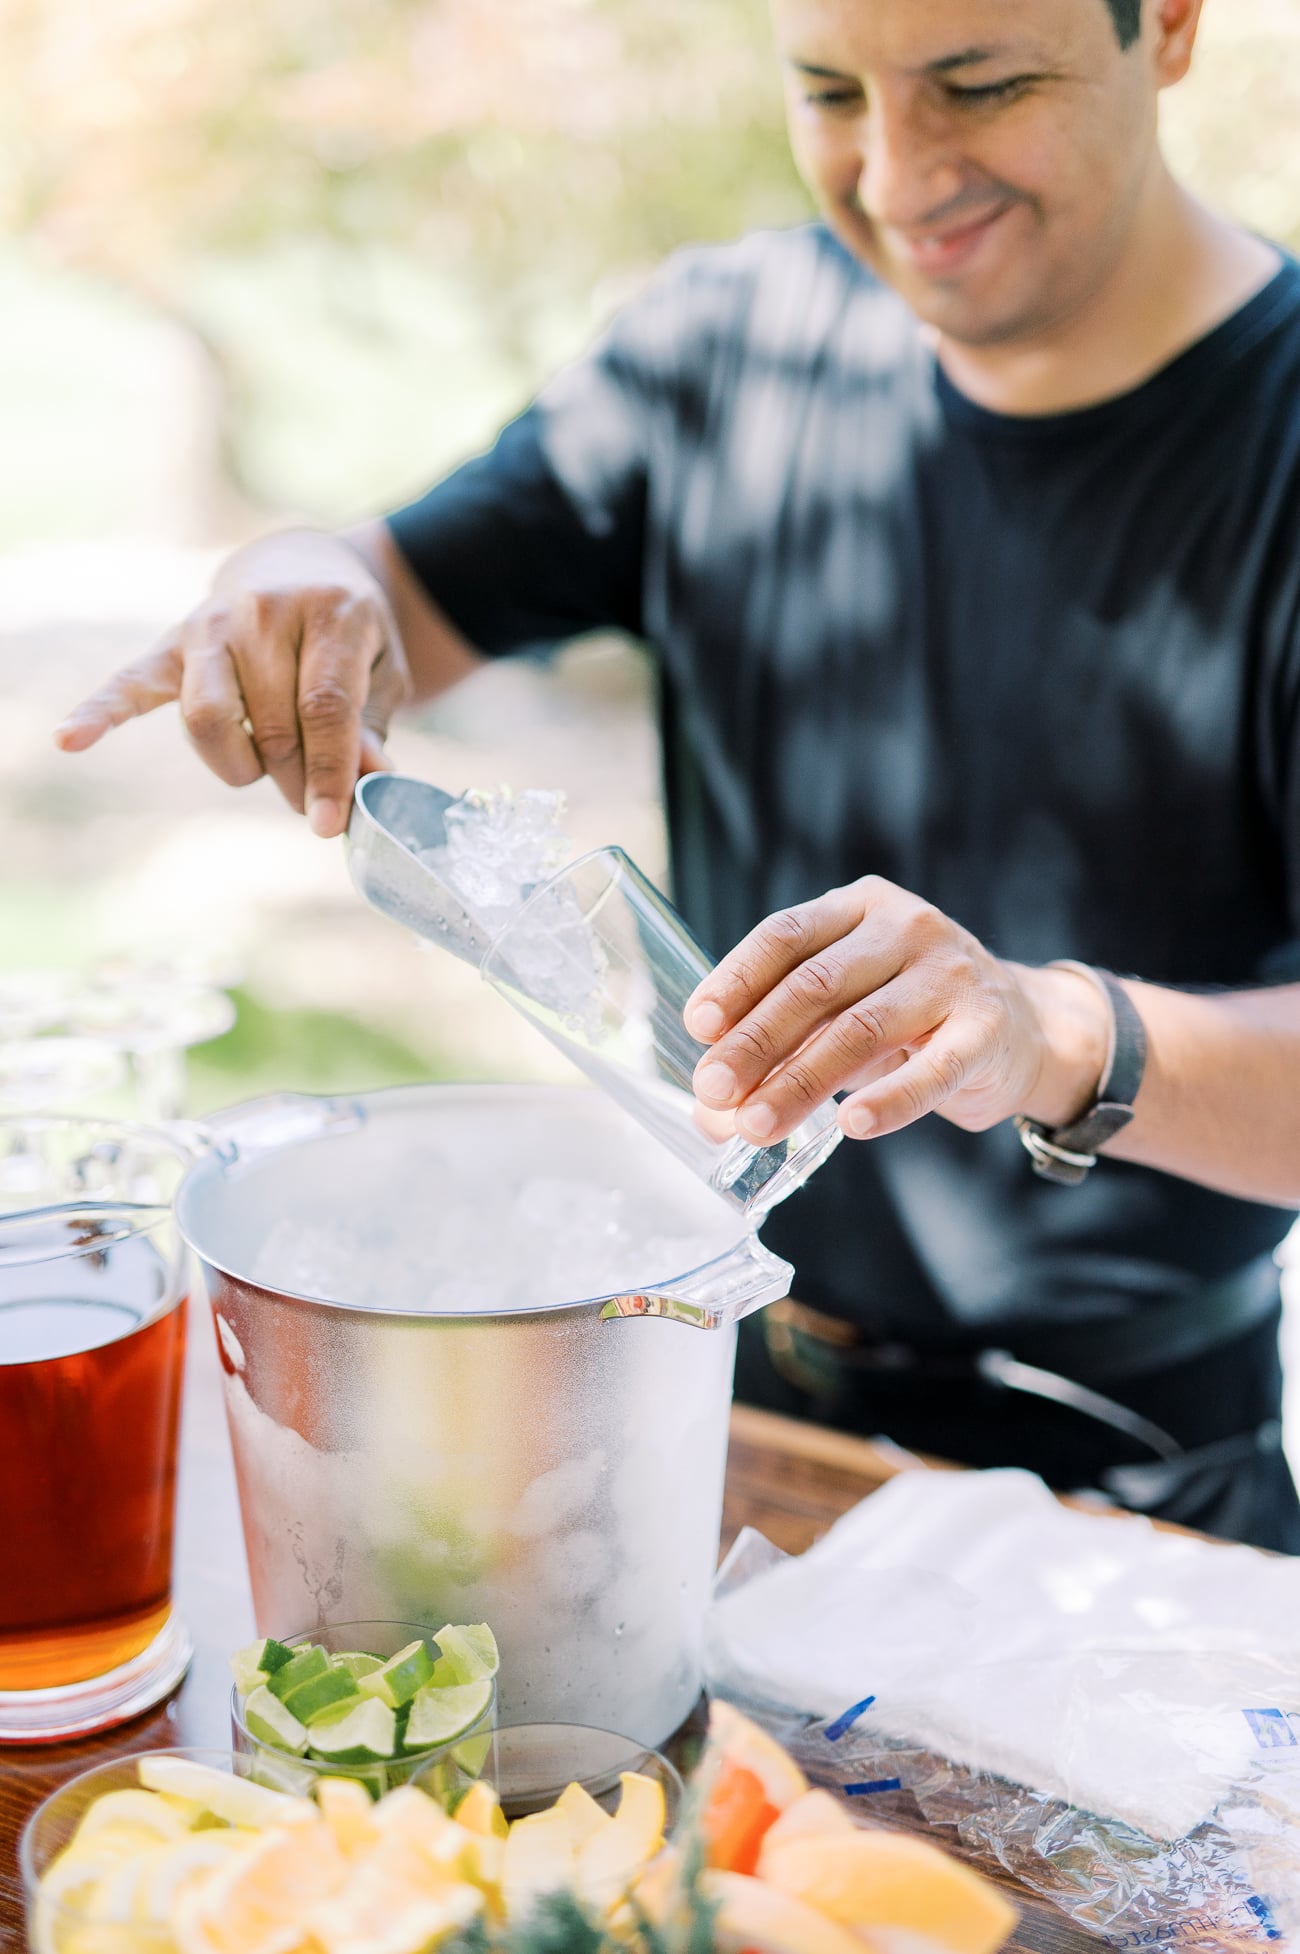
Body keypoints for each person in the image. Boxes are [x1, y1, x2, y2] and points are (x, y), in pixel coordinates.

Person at [57, 0, 1300, 1549]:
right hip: (723, 1420)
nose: (900, 176)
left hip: (1137, 1491)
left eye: (980, 86)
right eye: (830, 91)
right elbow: (396, 605)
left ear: (1170, 26)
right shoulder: (719, 345)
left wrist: (1049, 1029)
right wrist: (303, 578)